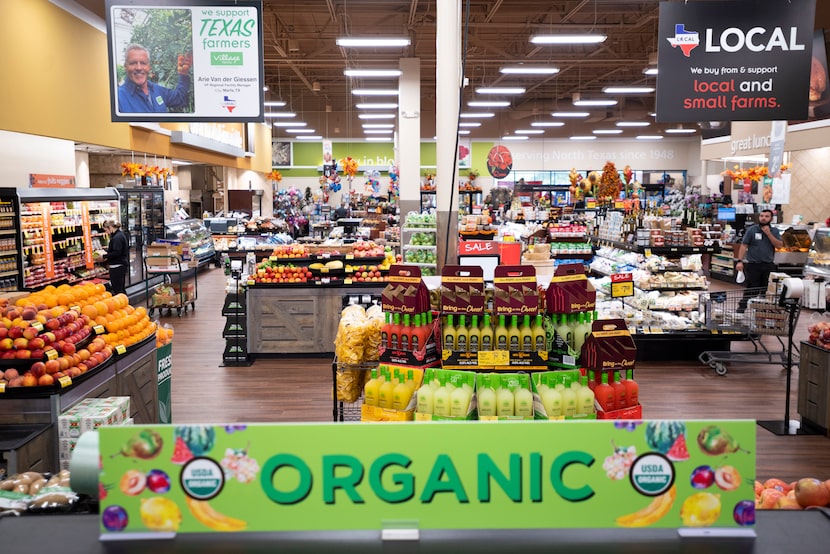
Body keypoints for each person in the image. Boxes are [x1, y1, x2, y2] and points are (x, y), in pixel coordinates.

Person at [117, 44, 191, 113]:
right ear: (125, 67)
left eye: (143, 63)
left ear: (149, 67)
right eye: (133, 63)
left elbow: (179, 98)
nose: (139, 68)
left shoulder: (157, 90)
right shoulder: (118, 98)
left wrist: (183, 74)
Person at [734, 209, 783, 312]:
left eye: (766, 216)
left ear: (771, 219)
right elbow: (744, 245)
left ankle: (762, 312)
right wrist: (740, 261)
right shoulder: (752, 230)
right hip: (753, 265)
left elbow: (779, 246)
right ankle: (741, 309)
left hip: (768, 265)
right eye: (762, 216)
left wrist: (768, 234)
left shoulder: (775, 231)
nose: (763, 218)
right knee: (751, 289)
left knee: (766, 290)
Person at [102, 220, 129, 295]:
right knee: (120, 288)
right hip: (120, 265)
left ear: (110, 227)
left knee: (118, 289)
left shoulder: (117, 237)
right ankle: (124, 304)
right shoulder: (119, 235)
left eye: (106, 230)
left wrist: (104, 256)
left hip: (117, 266)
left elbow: (117, 252)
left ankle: (123, 304)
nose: (106, 232)